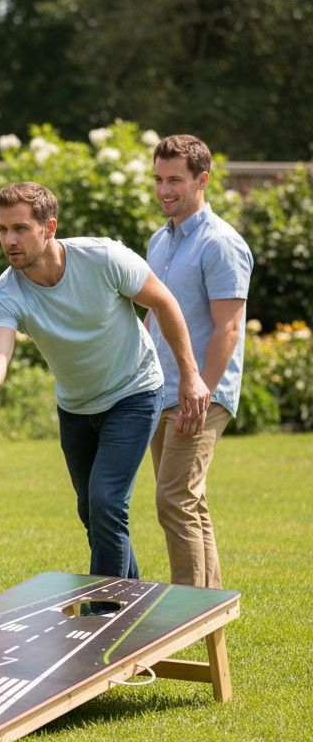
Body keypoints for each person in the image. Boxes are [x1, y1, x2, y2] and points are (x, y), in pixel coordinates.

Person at [0, 181, 210, 580]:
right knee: (92, 513)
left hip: (134, 392)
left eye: (20, 228)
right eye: (3, 230)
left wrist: (190, 375)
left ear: (49, 227)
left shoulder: (103, 258)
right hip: (76, 406)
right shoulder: (7, 292)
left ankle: (103, 614)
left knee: (107, 502)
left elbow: (164, 301)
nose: (9, 240)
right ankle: (131, 594)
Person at [147, 135, 253, 587]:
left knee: (173, 499)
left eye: (175, 180)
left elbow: (228, 327)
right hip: (160, 389)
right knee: (188, 501)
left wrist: (200, 390)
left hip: (199, 392)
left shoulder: (221, 243)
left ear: (201, 180)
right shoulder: (158, 241)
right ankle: (207, 609)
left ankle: (183, 615)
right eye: (158, 179)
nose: (164, 190)